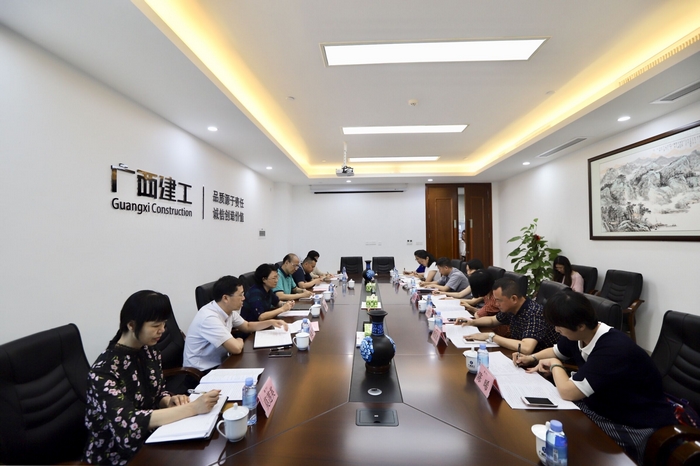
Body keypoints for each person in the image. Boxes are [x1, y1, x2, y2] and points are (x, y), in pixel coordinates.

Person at [513, 289, 676, 464]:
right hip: (601, 404)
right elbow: (556, 351)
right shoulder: (579, 334)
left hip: (633, 421)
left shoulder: (613, 348)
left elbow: (568, 391)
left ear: (580, 326)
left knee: (575, 444)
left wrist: (554, 364)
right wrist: (532, 358)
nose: (556, 330)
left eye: (559, 326)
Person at [83, 290, 221, 465]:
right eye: (156, 325)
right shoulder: (103, 372)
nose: (162, 330)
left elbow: (157, 392)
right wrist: (193, 408)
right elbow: (129, 422)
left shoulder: (149, 350)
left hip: (154, 437)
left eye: (164, 324)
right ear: (131, 325)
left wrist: (168, 401)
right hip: (117, 455)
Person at [183, 276, 288, 371]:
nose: (244, 298)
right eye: (240, 295)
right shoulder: (209, 318)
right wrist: (239, 339)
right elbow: (236, 348)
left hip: (222, 361)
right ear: (225, 298)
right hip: (202, 370)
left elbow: (247, 326)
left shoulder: (228, 310)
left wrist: (271, 322)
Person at [458, 278, 558, 354]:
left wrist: (491, 336)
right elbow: (493, 320)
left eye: (499, 300)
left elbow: (527, 348)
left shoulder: (534, 313)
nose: (496, 304)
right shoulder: (511, 308)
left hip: (540, 363)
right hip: (520, 356)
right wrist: (471, 322)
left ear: (514, 299)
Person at [458, 269, 509, 337]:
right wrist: (472, 309)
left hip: (500, 331)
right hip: (492, 324)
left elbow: (478, 315)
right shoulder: (488, 292)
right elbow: (488, 315)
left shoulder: (494, 299)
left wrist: (473, 313)